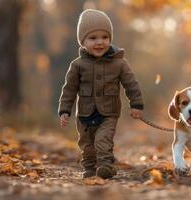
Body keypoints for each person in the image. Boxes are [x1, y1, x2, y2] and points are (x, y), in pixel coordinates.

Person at [58, 9, 144, 179]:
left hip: (109, 113)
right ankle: (89, 168)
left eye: (105, 37)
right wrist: (64, 110)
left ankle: (105, 165)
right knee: (87, 145)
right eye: (93, 38)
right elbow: (69, 90)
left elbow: (131, 84)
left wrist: (136, 104)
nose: (100, 42)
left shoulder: (119, 63)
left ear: (110, 39)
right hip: (84, 114)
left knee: (103, 140)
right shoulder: (77, 65)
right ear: (82, 42)